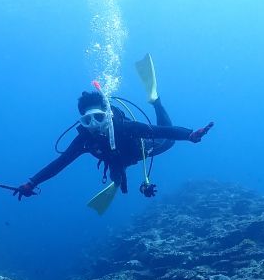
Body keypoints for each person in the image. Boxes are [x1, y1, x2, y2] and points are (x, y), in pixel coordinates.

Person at [13, 54, 213, 204]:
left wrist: (189, 135)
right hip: (116, 159)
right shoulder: (84, 139)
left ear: (107, 115)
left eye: (99, 118)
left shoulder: (123, 127)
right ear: (81, 121)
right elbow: (61, 162)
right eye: (87, 120)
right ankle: (117, 177)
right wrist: (32, 182)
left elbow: (161, 131)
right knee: (115, 174)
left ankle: (156, 101)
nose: (94, 125)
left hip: (138, 150)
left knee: (167, 142)